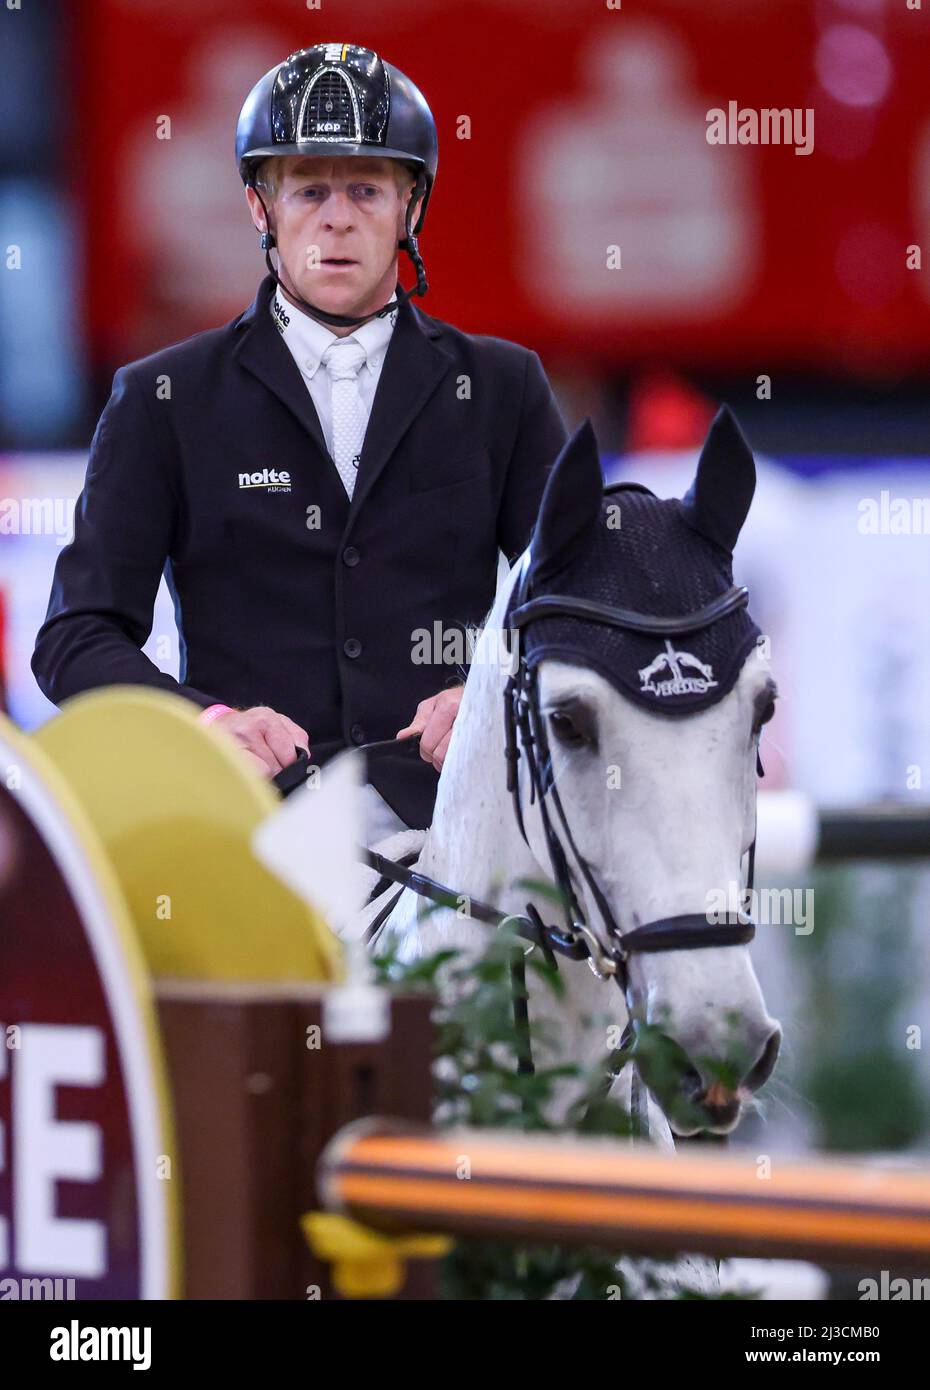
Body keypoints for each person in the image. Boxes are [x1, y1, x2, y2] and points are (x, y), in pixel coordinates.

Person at [32, 42, 569, 840]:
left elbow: (580, 602)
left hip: (460, 822)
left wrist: (493, 691)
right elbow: (76, 636)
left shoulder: (503, 388)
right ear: (261, 207)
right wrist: (205, 722)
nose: (338, 218)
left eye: (366, 188)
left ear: (411, 206)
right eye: (310, 190)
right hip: (247, 826)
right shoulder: (162, 399)